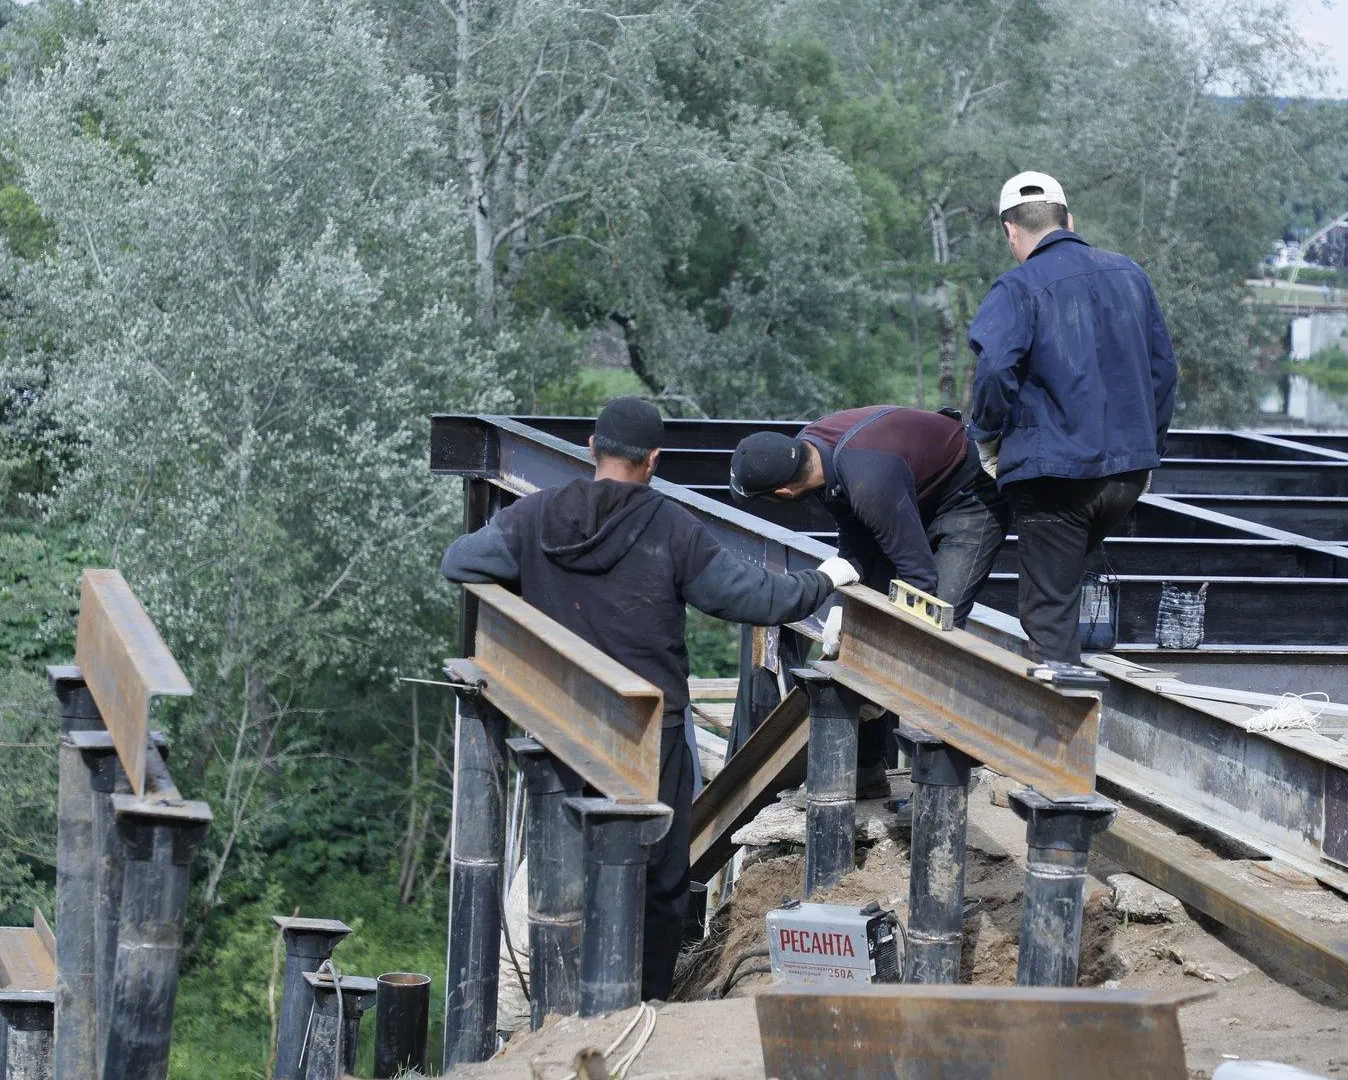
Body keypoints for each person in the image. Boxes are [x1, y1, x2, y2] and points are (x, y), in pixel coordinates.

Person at [440, 397, 856, 1002]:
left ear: (591, 448)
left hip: (564, 722)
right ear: (654, 459)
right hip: (648, 731)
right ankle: (645, 1008)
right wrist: (827, 579)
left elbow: (459, 561)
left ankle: (562, 1014)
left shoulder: (534, 517)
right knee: (659, 880)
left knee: (568, 869)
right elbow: (754, 598)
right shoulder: (670, 527)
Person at [967, 171, 1178, 683]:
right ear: (1069, 220)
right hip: (1125, 476)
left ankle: (1061, 742)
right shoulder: (1131, 275)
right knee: (1064, 581)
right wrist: (1147, 450)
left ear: (1010, 232)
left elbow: (996, 369)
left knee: (1049, 610)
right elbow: (1164, 373)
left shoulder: (1018, 286)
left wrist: (987, 437)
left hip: (1056, 478)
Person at [726, 406, 1010, 628]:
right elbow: (856, 532)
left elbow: (919, 580)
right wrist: (842, 605)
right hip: (911, 491)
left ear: (785, 492)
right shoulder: (810, 451)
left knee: (935, 619)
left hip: (971, 495)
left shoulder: (868, 483)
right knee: (871, 608)